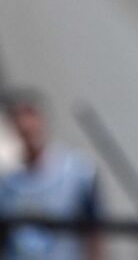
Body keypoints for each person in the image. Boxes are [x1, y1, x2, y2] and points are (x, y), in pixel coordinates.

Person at [0, 88, 103, 260]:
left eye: (31, 119)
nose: (27, 129)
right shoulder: (7, 185)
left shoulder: (77, 172)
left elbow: (95, 231)